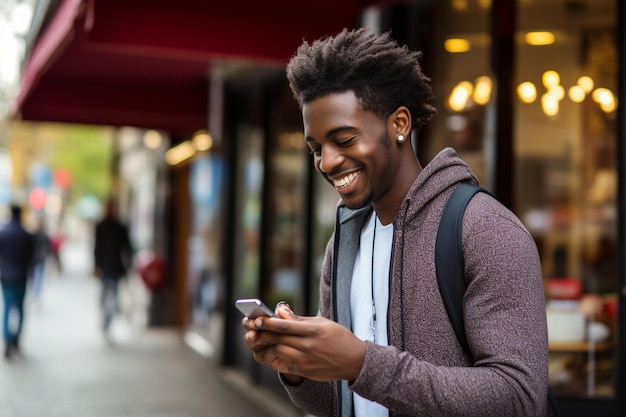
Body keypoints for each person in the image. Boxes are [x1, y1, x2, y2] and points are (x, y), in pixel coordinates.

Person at [242, 28, 549, 416]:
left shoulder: (485, 230)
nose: (327, 162)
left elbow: (519, 398)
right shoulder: (345, 243)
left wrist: (363, 363)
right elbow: (339, 402)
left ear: (399, 124)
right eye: (316, 148)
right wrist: (298, 367)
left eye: (345, 139)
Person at [0, 205, 35, 359]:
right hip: (21, 276)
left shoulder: (3, 234)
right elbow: (31, 258)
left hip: (6, 277)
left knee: (7, 309)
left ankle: (8, 339)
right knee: (19, 309)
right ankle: (16, 338)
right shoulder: (26, 235)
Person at [94, 198, 132, 333]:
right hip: (105, 266)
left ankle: (109, 319)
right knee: (105, 294)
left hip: (115, 266)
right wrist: (96, 265)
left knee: (113, 295)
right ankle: (105, 318)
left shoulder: (120, 227)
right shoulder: (101, 226)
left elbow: (127, 247)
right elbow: (97, 247)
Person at [31, 217, 52, 304]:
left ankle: (36, 292)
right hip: (38, 259)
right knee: (38, 276)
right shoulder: (41, 235)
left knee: (38, 276)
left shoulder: (39, 235)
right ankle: (36, 292)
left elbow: (48, 247)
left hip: (38, 259)